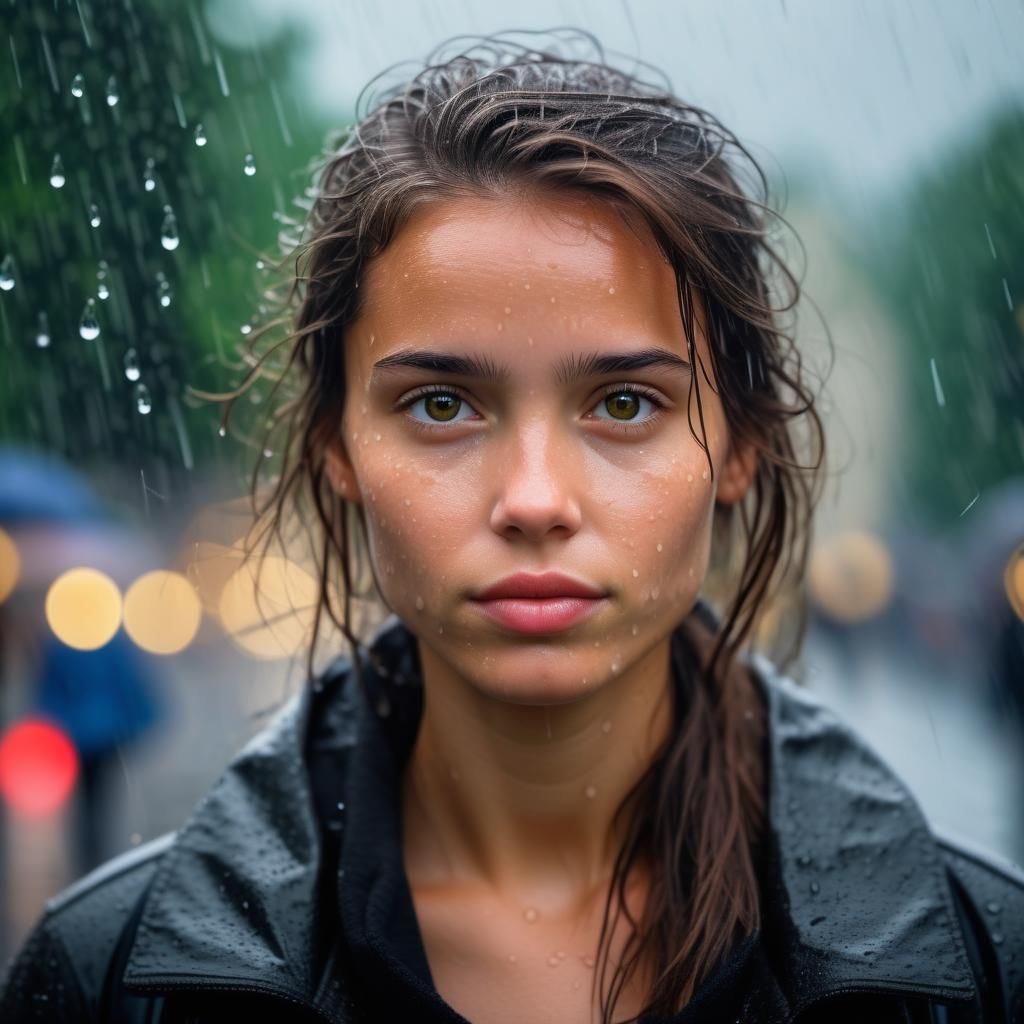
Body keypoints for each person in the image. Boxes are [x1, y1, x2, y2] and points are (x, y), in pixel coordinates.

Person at [2, 30, 1022, 1024]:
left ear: (743, 441)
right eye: (443, 405)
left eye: (623, 403)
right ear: (336, 446)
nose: (534, 498)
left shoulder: (977, 964)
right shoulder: (108, 977)